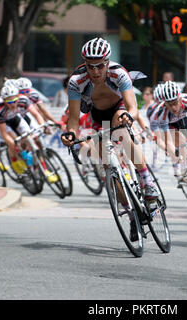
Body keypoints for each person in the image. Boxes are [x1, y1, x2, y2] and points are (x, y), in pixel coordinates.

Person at [61, 37, 159, 239]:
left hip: (119, 109)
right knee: (108, 167)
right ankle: (132, 216)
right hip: (97, 115)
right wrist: (71, 134)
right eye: (90, 66)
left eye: (99, 66)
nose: (95, 71)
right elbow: (73, 119)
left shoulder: (118, 72)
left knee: (121, 133)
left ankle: (147, 181)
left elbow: (133, 107)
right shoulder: (76, 81)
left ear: (107, 63)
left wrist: (128, 116)